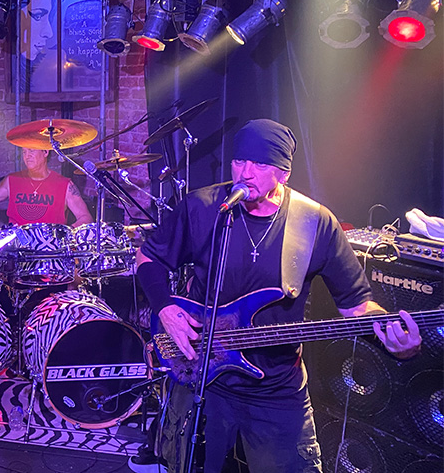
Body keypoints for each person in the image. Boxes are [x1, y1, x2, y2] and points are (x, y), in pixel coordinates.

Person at [136, 119, 422, 473]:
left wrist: (393, 339)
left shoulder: (314, 222)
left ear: (283, 173)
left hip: (276, 390)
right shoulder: (204, 207)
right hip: (204, 379)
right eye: (239, 161)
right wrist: (165, 308)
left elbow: (357, 305)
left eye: (259, 164)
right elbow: (148, 257)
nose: (245, 172)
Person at [0, 146, 93, 226]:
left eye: (31, 151)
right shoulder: (12, 180)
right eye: (24, 152)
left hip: (50, 252)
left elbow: (85, 217)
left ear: (45, 152)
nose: (27, 156)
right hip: (17, 251)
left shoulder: (64, 184)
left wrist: (66, 233)